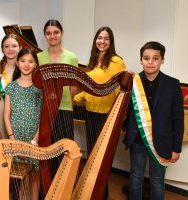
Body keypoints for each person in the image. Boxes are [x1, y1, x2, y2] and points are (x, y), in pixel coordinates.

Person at [123, 41, 184, 200]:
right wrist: (123, 78)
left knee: (157, 181)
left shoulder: (172, 84)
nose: (150, 62)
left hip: (162, 143)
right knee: (135, 177)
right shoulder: (132, 81)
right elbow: (124, 110)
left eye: (155, 58)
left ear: (162, 60)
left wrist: (176, 148)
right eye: (146, 58)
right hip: (137, 140)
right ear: (141, 60)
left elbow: (178, 119)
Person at [73, 26, 126, 199]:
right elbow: (90, 90)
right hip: (91, 114)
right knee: (93, 157)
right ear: (95, 40)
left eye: (106, 38)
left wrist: (119, 121)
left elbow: (121, 92)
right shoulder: (92, 62)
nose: (102, 41)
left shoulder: (116, 61)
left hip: (107, 117)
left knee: (103, 160)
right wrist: (70, 98)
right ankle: (96, 194)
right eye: (99, 38)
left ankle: (101, 195)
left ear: (111, 42)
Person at [4, 47, 42, 200]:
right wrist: (13, 141)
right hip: (16, 139)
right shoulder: (11, 87)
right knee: (18, 177)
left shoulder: (40, 88)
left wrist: (34, 142)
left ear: (35, 65)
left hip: (35, 139)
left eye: (31, 61)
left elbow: (42, 118)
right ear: (17, 63)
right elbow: (6, 117)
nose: (27, 65)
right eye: (23, 61)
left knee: (34, 175)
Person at [37, 19, 78, 143]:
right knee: (47, 150)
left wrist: (67, 101)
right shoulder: (38, 57)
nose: (52, 36)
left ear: (62, 33)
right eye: (48, 33)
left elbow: (74, 86)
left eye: (56, 32)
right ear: (45, 35)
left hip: (65, 109)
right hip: (45, 110)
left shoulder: (71, 57)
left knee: (64, 149)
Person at [0, 34, 22, 142]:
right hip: (2, 115)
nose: (10, 49)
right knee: (5, 154)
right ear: (2, 49)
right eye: (6, 46)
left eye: (14, 46)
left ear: (20, 48)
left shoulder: (26, 70)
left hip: (22, 116)